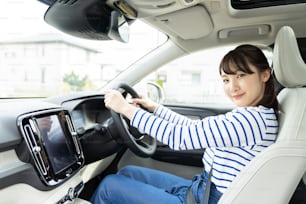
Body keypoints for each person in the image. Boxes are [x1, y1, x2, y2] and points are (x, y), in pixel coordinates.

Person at [91, 44, 279, 204]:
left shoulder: (250, 121)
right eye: (226, 79)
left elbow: (178, 137)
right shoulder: (253, 116)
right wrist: (155, 108)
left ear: (265, 75)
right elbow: (192, 129)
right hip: (202, 189)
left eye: (241, 76)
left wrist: (126, 109)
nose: (232, 87)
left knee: (109, 186)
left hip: (208, 198)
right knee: (128, 172)